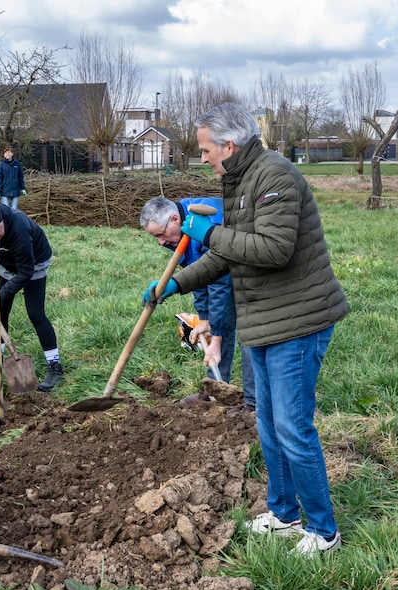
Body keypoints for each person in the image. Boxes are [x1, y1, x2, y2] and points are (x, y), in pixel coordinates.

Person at [142, 102, 349, 557]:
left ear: (228, 145)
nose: (202, 158)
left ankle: (323, 530)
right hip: (265, 320)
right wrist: (175, 284)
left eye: (204, 150)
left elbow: (273, 249)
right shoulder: (239, 183)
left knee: (293, 427)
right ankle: (283, 512)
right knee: (268, 423)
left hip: (297, 320)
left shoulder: (274, 177)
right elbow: (224, 258)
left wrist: (208, 231)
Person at [139, 196, 255, 413]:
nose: (160, 242)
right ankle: (214, 392)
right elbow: (199, 276)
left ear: (174, 219)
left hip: (248, 275)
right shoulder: (179, 232)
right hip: (223, 277)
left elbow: (220, 282)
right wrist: (204, 318)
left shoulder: (206, 223)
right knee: (217, 326)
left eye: (160, 235)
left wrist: (217, 336)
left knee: (249, 333)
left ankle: (253, 402)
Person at [0, 194, 63, 391]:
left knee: (35, 313)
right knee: (1, 312)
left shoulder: (19, 228)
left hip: (34, 264)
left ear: (2, 221)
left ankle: (55, 366)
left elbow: (25, 272)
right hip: (7, 264)